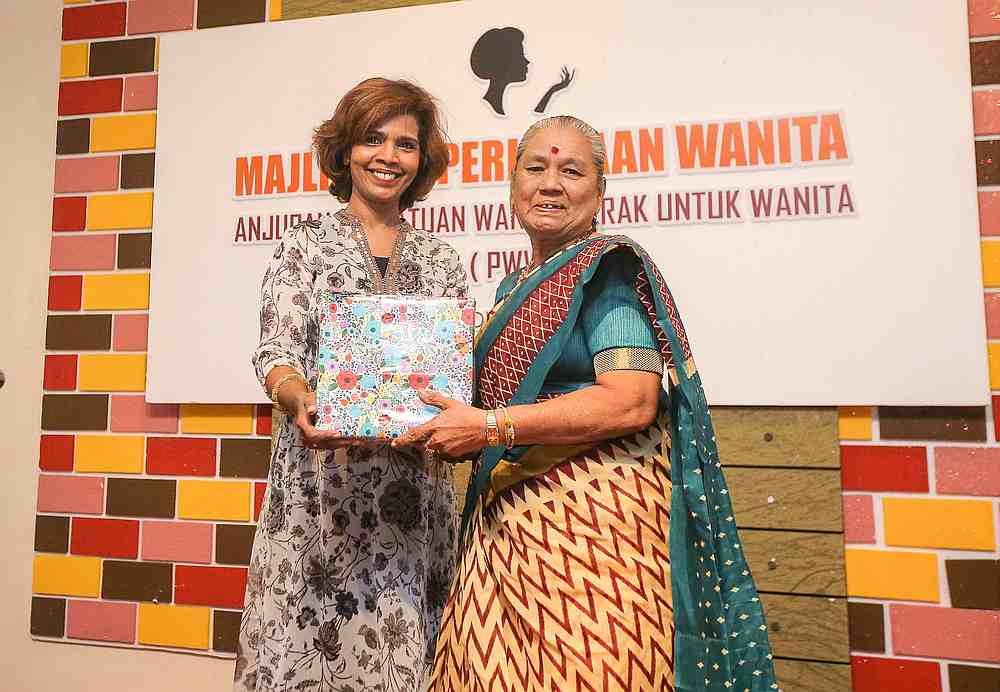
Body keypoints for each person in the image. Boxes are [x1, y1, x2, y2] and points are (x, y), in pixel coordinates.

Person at [395, 116, 779, 692]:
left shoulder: (607, 274)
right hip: (506, 532)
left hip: (595, 537)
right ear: (512, 185)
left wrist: (491, 426)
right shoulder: (511, 291)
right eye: (537, 168)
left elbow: (631, 402)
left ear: (600, 190)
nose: (551, 184)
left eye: (571, 171)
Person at [235, 77, 467, 692]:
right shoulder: (303, 247)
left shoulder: (442, 259)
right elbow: (276, 355)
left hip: (412, 498)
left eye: (406, 144)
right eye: (373, 139)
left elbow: (454, 371)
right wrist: (298, 396)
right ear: (346, 151)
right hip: (320, 500)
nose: (389, 156)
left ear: (423, 161)